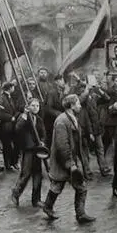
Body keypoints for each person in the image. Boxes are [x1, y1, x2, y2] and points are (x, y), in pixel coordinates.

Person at [42, 94, 96, 224]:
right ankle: (48, 207)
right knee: (57, 187)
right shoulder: (62, 121)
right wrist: (70, 164)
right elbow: (62, 145)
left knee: (81, 187)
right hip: (64, 162)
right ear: (71, 106)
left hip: (70, 161)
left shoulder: (72, 118)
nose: (80, 105)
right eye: (77, 103)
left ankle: (80, 214)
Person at [11, 98, 46, 208]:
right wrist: (25, 115)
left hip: (37, 149)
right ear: (28, 106)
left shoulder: (39, 119)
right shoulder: (24, 118)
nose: (36, 108)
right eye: (33, 105)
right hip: (28, 149)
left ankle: (36, 199)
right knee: (26, 174)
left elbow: (43, 133)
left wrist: (43, 142)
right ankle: (16, 193)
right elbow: (17, 129)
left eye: (37, 106)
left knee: (38, 174)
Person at [0, 82, 21, 170]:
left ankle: (14, 162)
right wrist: (11, 118)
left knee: (16, 144)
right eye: (13, 87)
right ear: (10, 88)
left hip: (13, 126)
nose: (14, 88)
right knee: (7, 146)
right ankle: (8, 164)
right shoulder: (1, 98)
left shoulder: (10, 97)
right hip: (5, 126)